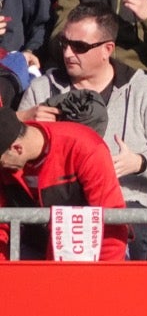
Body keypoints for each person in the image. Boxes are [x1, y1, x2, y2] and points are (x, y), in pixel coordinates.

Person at [19, 4, 147, 258]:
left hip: (124, 205)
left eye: (79, 47)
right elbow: (12, 155)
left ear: (107, 49)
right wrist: (30, 127)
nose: (67, 53)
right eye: (64, 43)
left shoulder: (143, 89)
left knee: (127, 227)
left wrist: (140, 163)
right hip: (55, 208)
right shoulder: (42, 89)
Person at [0, 104, 128, 261]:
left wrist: (106, 275)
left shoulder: (85, 147)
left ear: (17, 149)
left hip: (88, 252)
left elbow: (111, 220)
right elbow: (2, 223)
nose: (2, 166)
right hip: (32, 248)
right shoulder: (8, 159)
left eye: (0, 162)